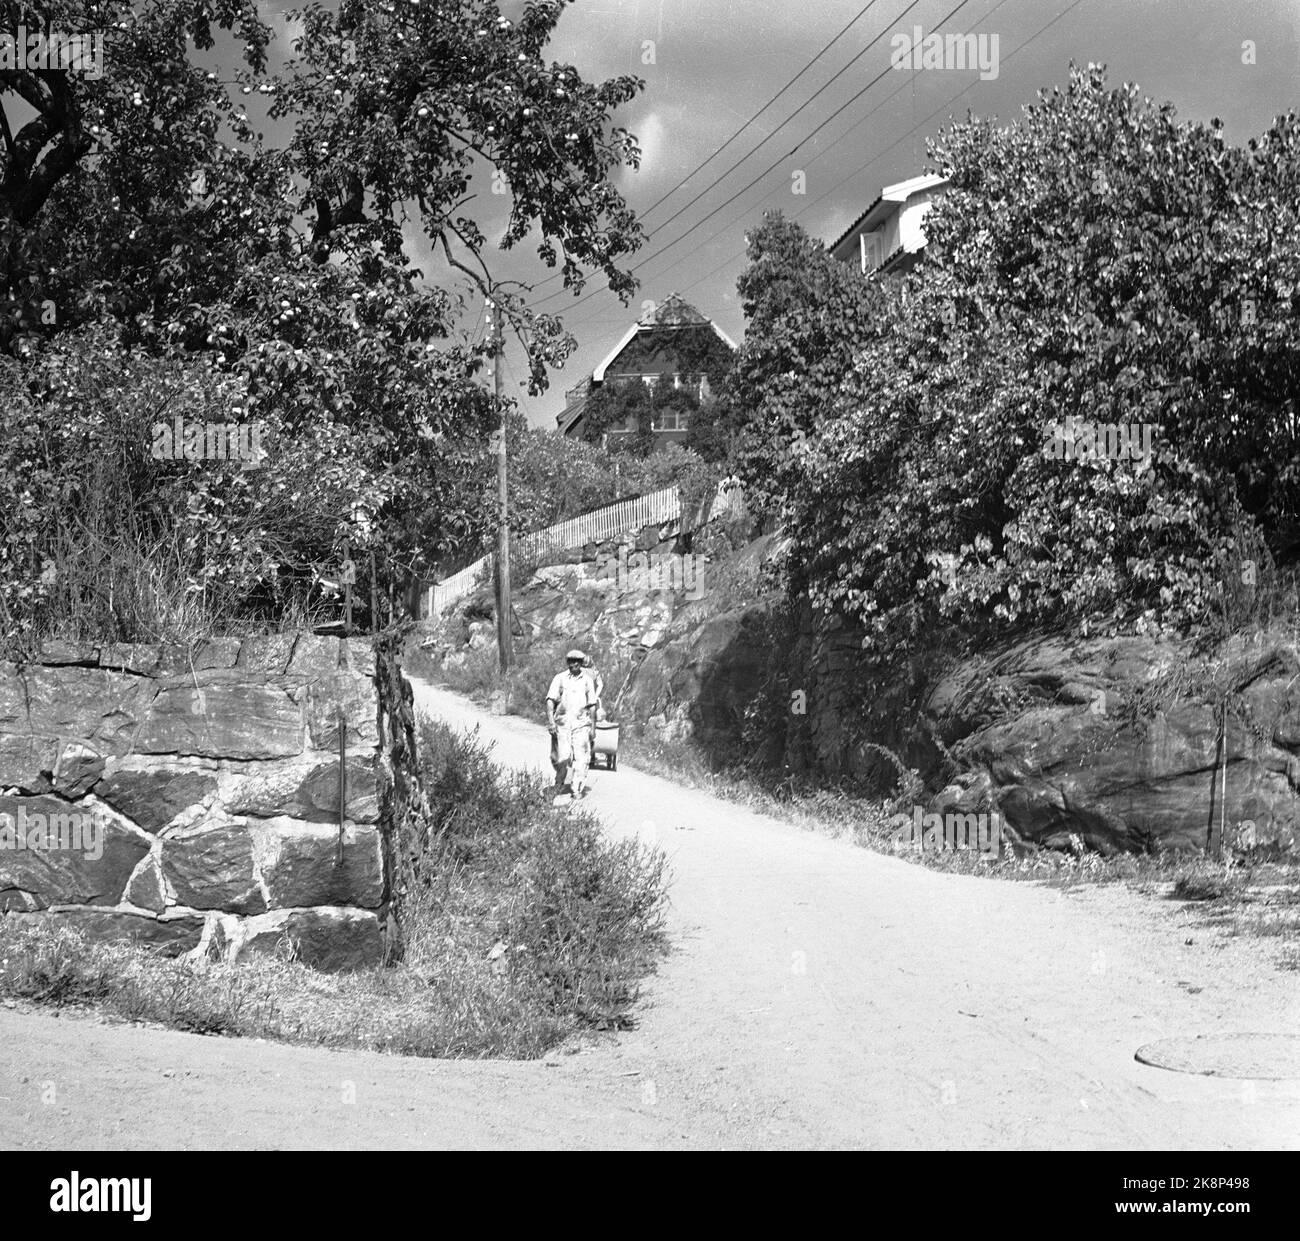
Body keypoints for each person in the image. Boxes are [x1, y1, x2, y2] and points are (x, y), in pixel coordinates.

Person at [546, 649, 599, 798]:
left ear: (581, 663)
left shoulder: (587, 680)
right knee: (561, 757)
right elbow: (550, 701)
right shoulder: (560, 678)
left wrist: (593, 728)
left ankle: (577, 788)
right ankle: (559, 783)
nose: (573, 664)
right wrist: (551, 722)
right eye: (570, 661)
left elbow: (592, 706)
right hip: (562, 724)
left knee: (582, 757)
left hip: (581, 724)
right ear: (567, 662)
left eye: (577, 661)